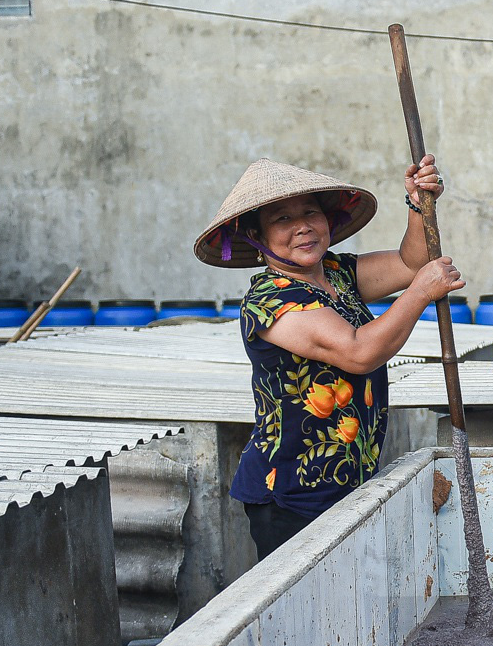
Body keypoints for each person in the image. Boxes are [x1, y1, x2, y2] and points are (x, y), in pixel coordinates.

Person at [194, 155, 465, 559]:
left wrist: (418, 204)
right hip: (291, 493)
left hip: (346, 480)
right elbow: (359, 353)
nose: (302, 226)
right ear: (257, 238)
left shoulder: (337, 274)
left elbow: (412, 263)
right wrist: (421, 293)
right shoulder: (270, 301)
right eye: (282, 220)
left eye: (310, 213)